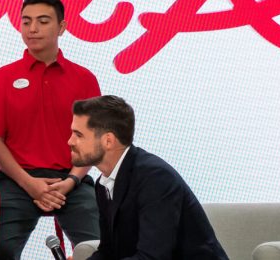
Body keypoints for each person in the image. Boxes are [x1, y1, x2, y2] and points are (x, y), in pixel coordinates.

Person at [0, 0, 102, 259]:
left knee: (100, 247)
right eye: (26, 21)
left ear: (61, 27)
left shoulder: (84, 79)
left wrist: (71, 180)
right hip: (16, 180)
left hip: (72, 180)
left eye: (43, 21)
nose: (32, 28)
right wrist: (29, 183)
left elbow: (93, 142)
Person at [69, 96, 227, 260]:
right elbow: (108, 252)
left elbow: (153, 257)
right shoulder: (103, 184)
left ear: (108, 140)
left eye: (78, 135)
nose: (70, 141)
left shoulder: (155, 178)